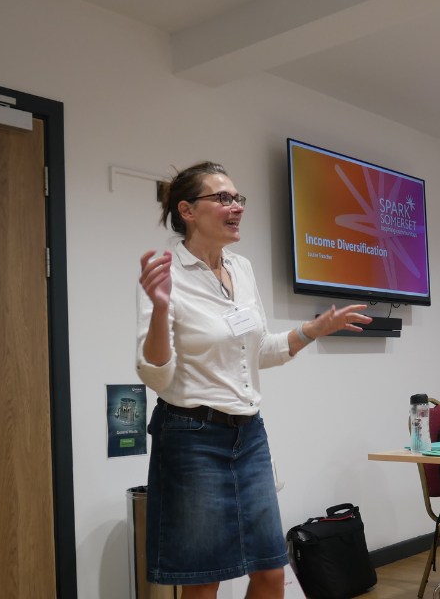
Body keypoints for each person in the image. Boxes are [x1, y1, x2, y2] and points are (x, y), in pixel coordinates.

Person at [136, 162, 371, 599]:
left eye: (238, 198)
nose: (237, 207)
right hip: (191, 437)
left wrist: (312, 330)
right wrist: (161, 309)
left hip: (249, 437)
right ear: (187, 210)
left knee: (270, 572)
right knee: (205, 580)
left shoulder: (241, 268)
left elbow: (260, 351)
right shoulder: (168, 275)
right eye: (223, 198)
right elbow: (155, 373)